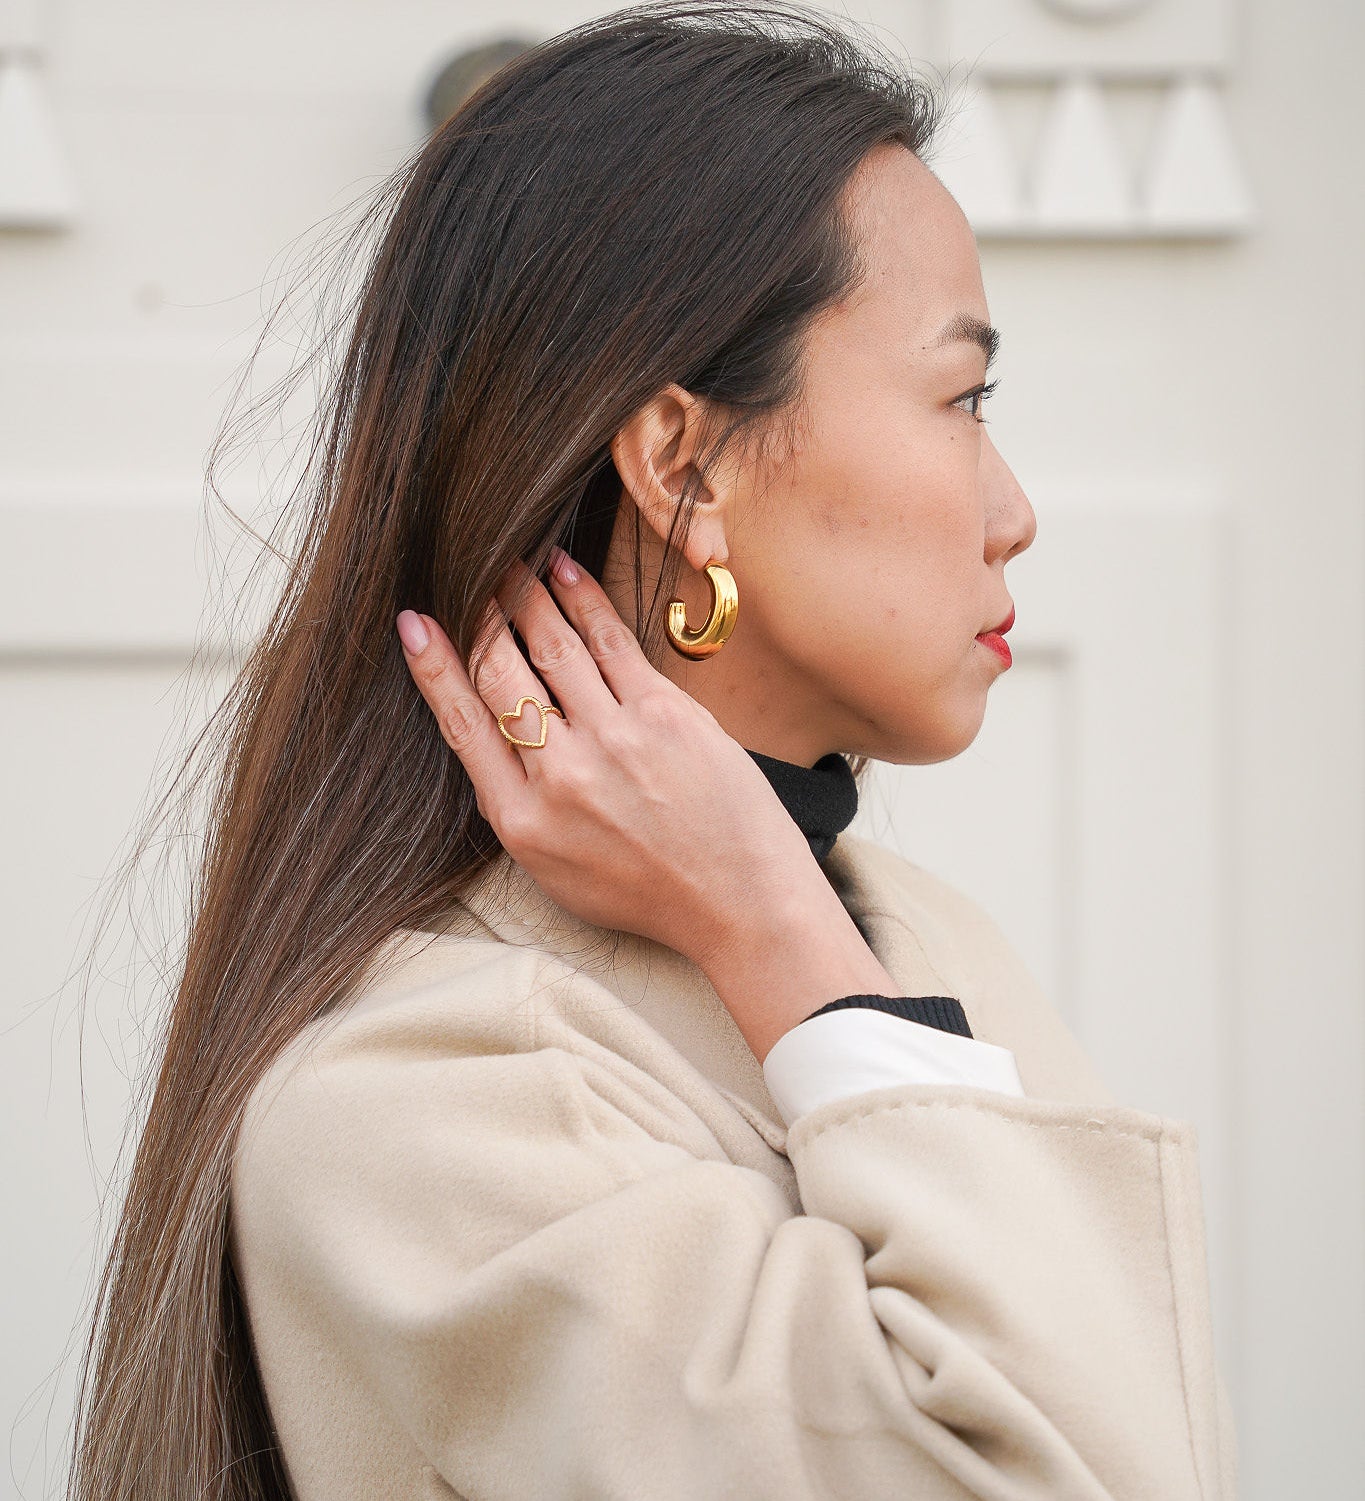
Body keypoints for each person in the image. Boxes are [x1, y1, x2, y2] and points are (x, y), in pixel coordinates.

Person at [67, 3, 1238, 1497]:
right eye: (962, 399)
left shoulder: (906, 936)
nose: (1012, 510)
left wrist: (779, 922)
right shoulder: (425, 1106)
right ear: (683, 464)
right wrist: (768, 922)